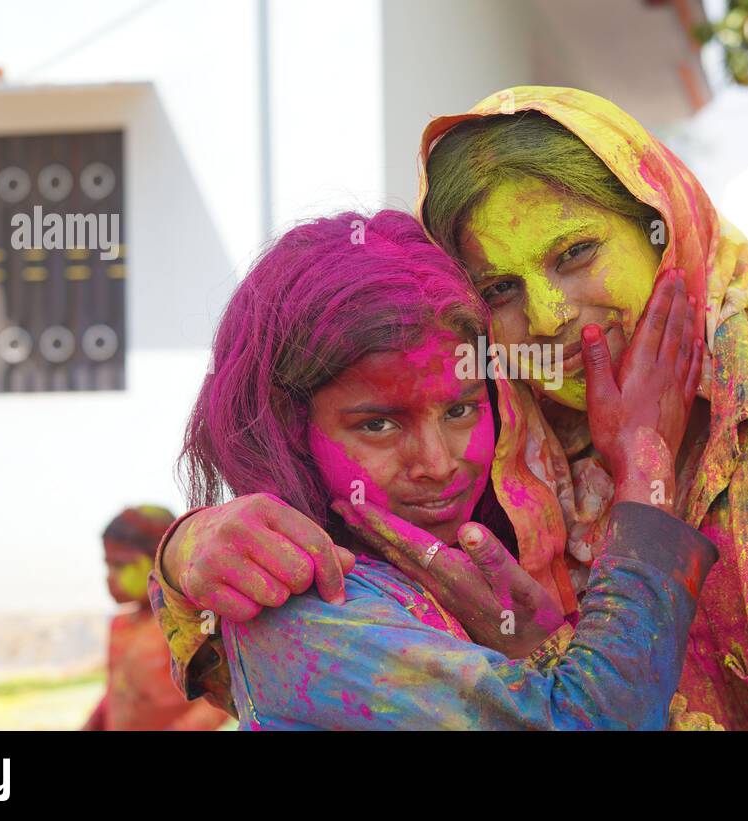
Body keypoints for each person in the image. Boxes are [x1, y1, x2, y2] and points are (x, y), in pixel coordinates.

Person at [157, 88, 748, 730]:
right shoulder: (519, 439)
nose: (549, 315)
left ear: (666, 225)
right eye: (499, 285)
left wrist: (641, 478)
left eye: (575, 254)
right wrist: (189, 545)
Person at [154, 210, 716, 729]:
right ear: (287, 420)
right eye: (378, 425)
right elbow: (588, 720)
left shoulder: (444, 573)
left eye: (461, 409)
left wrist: (534, 649)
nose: (439, 463)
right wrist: (644, 472)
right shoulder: (310, 606)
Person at [83, 506, 229, 731]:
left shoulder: (186, 624)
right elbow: (118, 692)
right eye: (107, 565)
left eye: (120, 565)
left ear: (159, 560)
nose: (109, 577)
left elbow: (217, 700)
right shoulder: (119, 625)